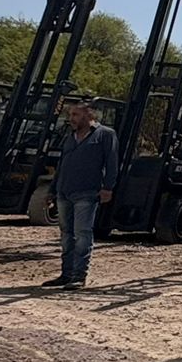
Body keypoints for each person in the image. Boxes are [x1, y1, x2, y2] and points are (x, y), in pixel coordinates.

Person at [42, 99, 118, 288]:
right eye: (70, 115)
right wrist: (52, 190)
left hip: (87, 192)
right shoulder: (70, 137)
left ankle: (78, 276)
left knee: (82, 233)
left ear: (89, 114)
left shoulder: (105, 135)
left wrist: (108, 188)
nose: (71, 118)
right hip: (64, 191)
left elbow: (111, 163)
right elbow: (62, 164)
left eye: (75, 114)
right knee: (66, 234)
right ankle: (66, 274)